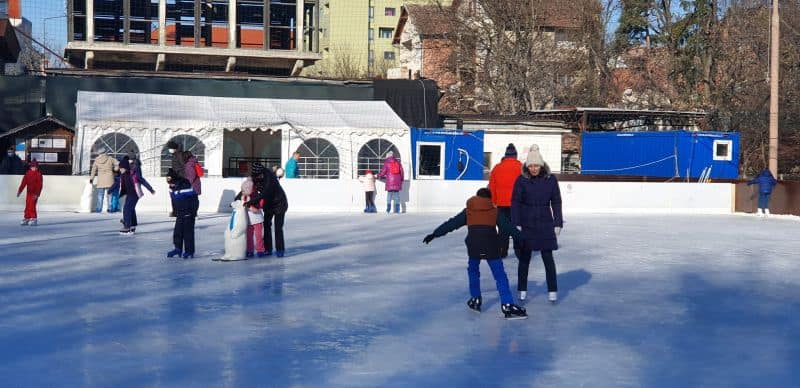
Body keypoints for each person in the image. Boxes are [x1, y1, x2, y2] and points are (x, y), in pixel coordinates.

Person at [423, 188, 528, 320]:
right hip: (491, 246)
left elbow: (452, 224)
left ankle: (475, 299)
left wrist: (435, 234)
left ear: (477, 197)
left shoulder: (468, 211)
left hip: (474, 246)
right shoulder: (495, 211)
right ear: (490, 199)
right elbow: (508, 227)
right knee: (499, 275)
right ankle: (507, 305)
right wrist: (523, 240)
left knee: (473, 270)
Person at [511, 144, 563, 303]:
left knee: (548, 257)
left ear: (541, 165)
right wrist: (516, 223)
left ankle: (552, 290)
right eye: (531, 165)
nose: (533, 168)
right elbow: (515, 202)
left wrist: (558, 222)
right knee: (525, 258)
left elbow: (556, 201)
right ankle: (522, 289)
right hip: (527, 222)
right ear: (527, 166)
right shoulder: (521, 180)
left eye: (536, 165)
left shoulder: (550, 179)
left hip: (545, 222)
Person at [488, 143, 522, 258]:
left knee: (503, 229)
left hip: (501, 204)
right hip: (517, 204)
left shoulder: (497, 168)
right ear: (515, 155)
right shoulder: (522, 167)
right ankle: (520, 251)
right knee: (517, 227)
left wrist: (493, 202)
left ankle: (502, 251)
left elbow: (492, 187)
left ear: (506, 156)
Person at [251, 162, 288, 257]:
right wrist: (239, 197)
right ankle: (268, 248)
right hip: (268, 204)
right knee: (267, 225)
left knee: (278, 227)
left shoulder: (269, 177)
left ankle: (280, 249)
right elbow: (248, 188)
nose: (256, 177)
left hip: (279, 203)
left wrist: (252, 201)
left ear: (261, 171)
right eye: (255, 175)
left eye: (258, 175)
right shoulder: (255, 176)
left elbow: (264, 193)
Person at [166, 169, 199, 259]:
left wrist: (193, 212)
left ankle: (189, 251)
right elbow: (173, 201)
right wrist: (175, 211)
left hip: (189, 212)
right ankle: (178, 249)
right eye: (169, 183)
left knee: (188, 233)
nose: (170, 185)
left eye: (171, 183)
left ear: (175, 180)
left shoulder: (185, 185)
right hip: (180, 213)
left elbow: (195, 199)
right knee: (177, 231)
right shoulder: (171, 188)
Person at [119, 157, 155, 235]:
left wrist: (151, 189)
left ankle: (127, 226)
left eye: (121, 168)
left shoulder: (134, 174)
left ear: (125, 168)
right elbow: (117, 183)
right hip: (129, 194)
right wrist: (111, 190)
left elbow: (143, 181)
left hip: (135, 194)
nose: (120, 170)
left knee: (127, 209)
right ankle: (132, 225)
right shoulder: (123, 175)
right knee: (129, 209)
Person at [235, 177, 268, 258]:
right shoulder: (243, 195)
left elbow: (256, 209)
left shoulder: (257, 195)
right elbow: (236, 201)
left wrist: (248, 205)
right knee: (249, 236)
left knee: (259, 236)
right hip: (248, 220)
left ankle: (260, 250)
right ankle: (250, 250)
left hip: (257, 220)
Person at [89, 148, 119, 213]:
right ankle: (110, 208)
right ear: (105, 152)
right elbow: (117, 163)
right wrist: (115, 169)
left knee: (100, 195)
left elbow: (93, 170)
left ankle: (99, 209)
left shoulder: (97, 160)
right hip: (110, 179)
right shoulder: (110, 159)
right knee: (110, 194)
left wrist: (92, 178)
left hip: (101, 179)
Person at [17, 160, 43, 226]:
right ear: (30, 167)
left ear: (37, 167)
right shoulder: (28, 173)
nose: (34, 168)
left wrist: (37, 194)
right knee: (27, 205)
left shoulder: (38, 174)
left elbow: (40, 185)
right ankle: (27, 218)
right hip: (29, 193)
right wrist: (20, 191)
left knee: (32, 206)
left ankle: (34, 218)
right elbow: (23, 183)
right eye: (32, 167)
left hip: (34, 193)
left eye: (35, 167)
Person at [167, 141, 186, 217]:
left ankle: (179, 211)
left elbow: (183, 166)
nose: (169, 150)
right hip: (175, 177)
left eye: (170, 148)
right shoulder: (175, 155)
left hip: (179, 178)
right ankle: (175, 211)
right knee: (173, 194)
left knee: (178, 195)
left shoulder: (179, 155)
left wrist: (178, 174)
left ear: (174, 148)